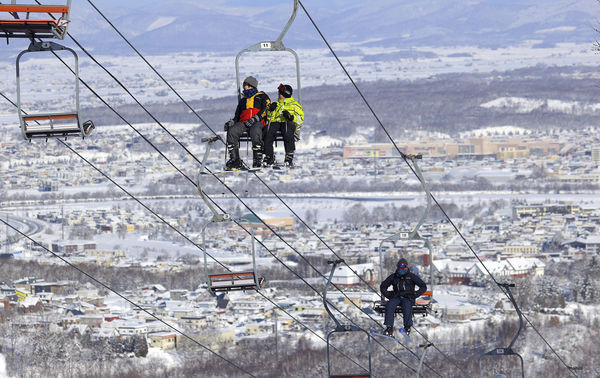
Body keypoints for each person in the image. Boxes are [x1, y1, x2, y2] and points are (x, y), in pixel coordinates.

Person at [223, 76, 271, 169]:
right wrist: (231, 123)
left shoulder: (262, 97)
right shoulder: (243, 101)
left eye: (245, 85)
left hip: (258, 122)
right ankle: (235, 159)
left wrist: (255, 118)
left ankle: (257, 159)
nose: (244, 86)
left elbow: (266, 109)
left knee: (255, 130)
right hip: (244, 122)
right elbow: (237, 116)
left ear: (251, 86)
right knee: (232, 131)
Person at [379, 258, 427, 337]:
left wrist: (414, 295)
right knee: (390, 304)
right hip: (396, 297)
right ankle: (389, 327)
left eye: (403, 267)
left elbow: (423, 286)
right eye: (399, 267)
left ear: (406, 267)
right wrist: (389, 295)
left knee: (407, 305)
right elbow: (383, 286)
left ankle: (407, 327)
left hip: (408, 297)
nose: (401, 269)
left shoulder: (411, 276)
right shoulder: (394, 277)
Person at [263, 83, 304, 167]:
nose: (278, 94)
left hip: (288, 123)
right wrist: (270, 110)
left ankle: (289, 155)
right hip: (276, 123)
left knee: (287, 130)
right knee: (268, 130)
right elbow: (270, 118)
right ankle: (269, 155)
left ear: (285, 94)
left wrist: (291, 117)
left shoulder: (294, 105)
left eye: (280, 93)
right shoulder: (276, 104)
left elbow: (301, 118)